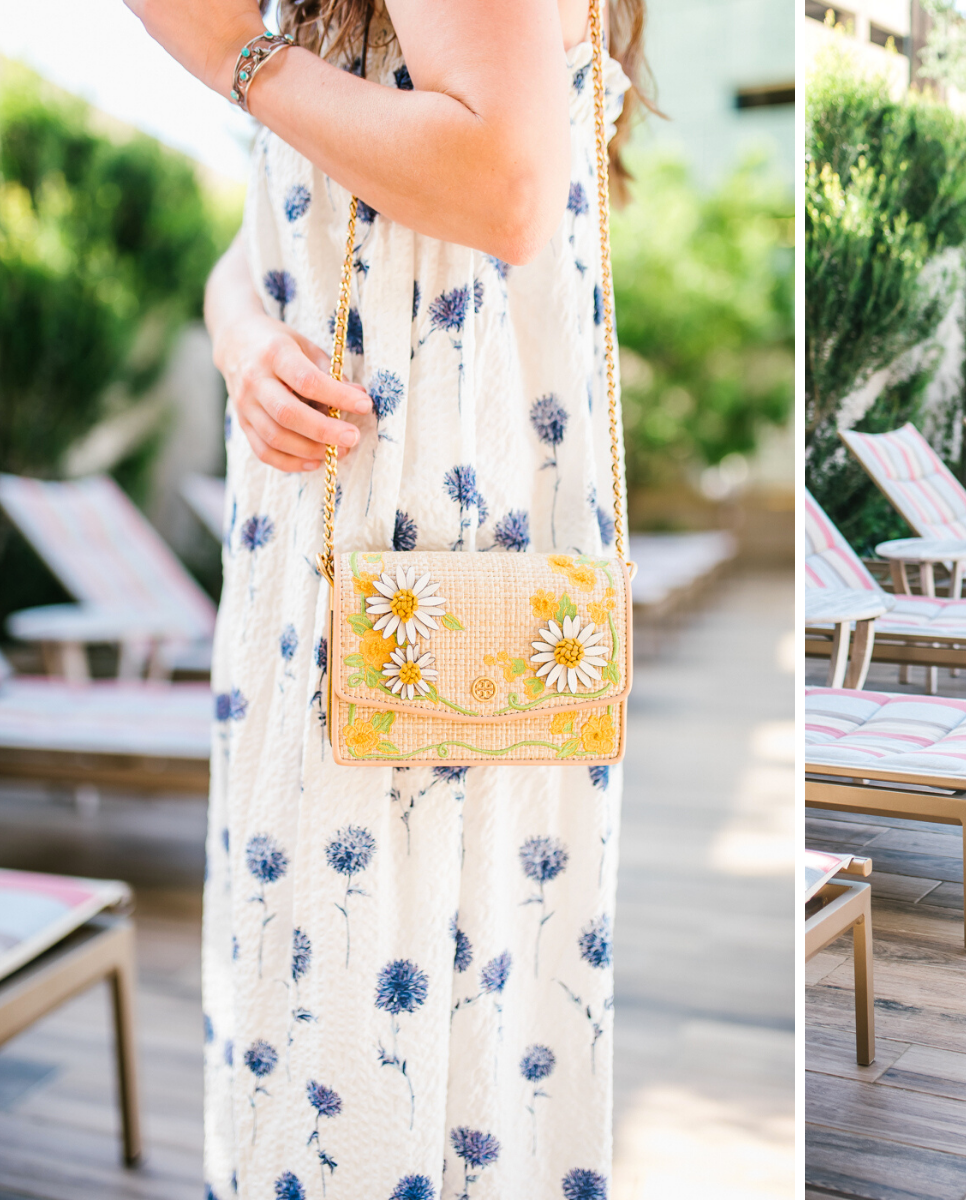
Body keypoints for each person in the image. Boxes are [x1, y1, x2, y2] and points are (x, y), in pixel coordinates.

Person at [123, 0, 648, 1194]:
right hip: (333, 546)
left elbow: (503, 182)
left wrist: (233, 57)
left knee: (372, 1008)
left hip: (413, 561)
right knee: (334, 998)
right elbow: (270, 232)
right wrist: (243, 335)